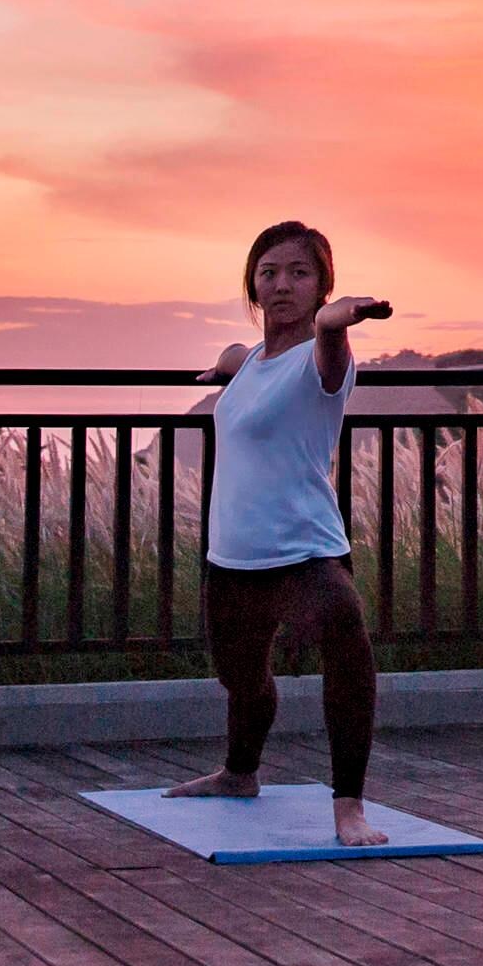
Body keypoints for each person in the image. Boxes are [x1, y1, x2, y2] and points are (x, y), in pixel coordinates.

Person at [167, 220, 397, 846]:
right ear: (253, 285)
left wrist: (341, 320)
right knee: (241, 680)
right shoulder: (250, 365)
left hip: (305, 552)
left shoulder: (323, 362)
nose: (282, 284)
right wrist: (219, 371)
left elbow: (328, 343)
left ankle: (348, 806)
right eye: (268, 272)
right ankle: (240, 775)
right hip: (231, 557)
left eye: (300, 273)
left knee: (347, 648)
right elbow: (236, 355)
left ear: (323, 285)